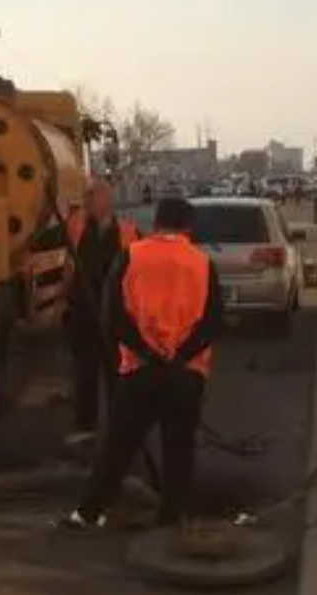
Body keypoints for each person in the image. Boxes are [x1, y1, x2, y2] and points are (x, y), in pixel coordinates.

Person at [59, 197, 224, 529]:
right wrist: (179, 355)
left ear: (157, 221)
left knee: (118, 446)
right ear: (187, 226)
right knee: (178, 447)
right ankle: (172, 515)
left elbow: (114, 316)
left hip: (140, 372)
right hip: (186, 373)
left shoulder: (131, 255)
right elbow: (213, 321)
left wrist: (147, 352)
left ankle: (89, 513)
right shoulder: (202, 263)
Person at [64, 178, 140, 433]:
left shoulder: (129, 232)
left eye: (92, 195)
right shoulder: (76, 227)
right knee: (85, 374)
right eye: (86, 195)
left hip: (115, 317)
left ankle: (120, 429)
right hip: (83, 314)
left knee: (117, 375)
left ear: (107, 200)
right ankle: (85, 428)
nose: (86, 200)